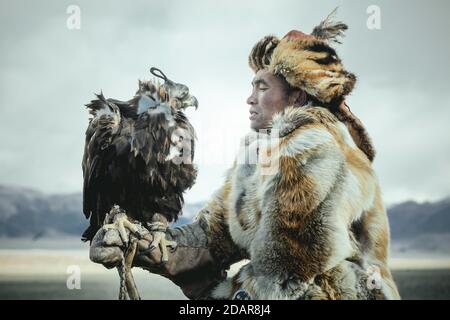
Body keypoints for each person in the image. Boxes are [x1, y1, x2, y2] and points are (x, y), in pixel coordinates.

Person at [90, 11, 400, 300]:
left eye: (262, 88)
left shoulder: (314, 148)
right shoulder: (260, 156)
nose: (249, 98)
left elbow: (283, 276)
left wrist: (220, 298)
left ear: (297, 95)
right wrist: (151, 245)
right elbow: (215, 235)